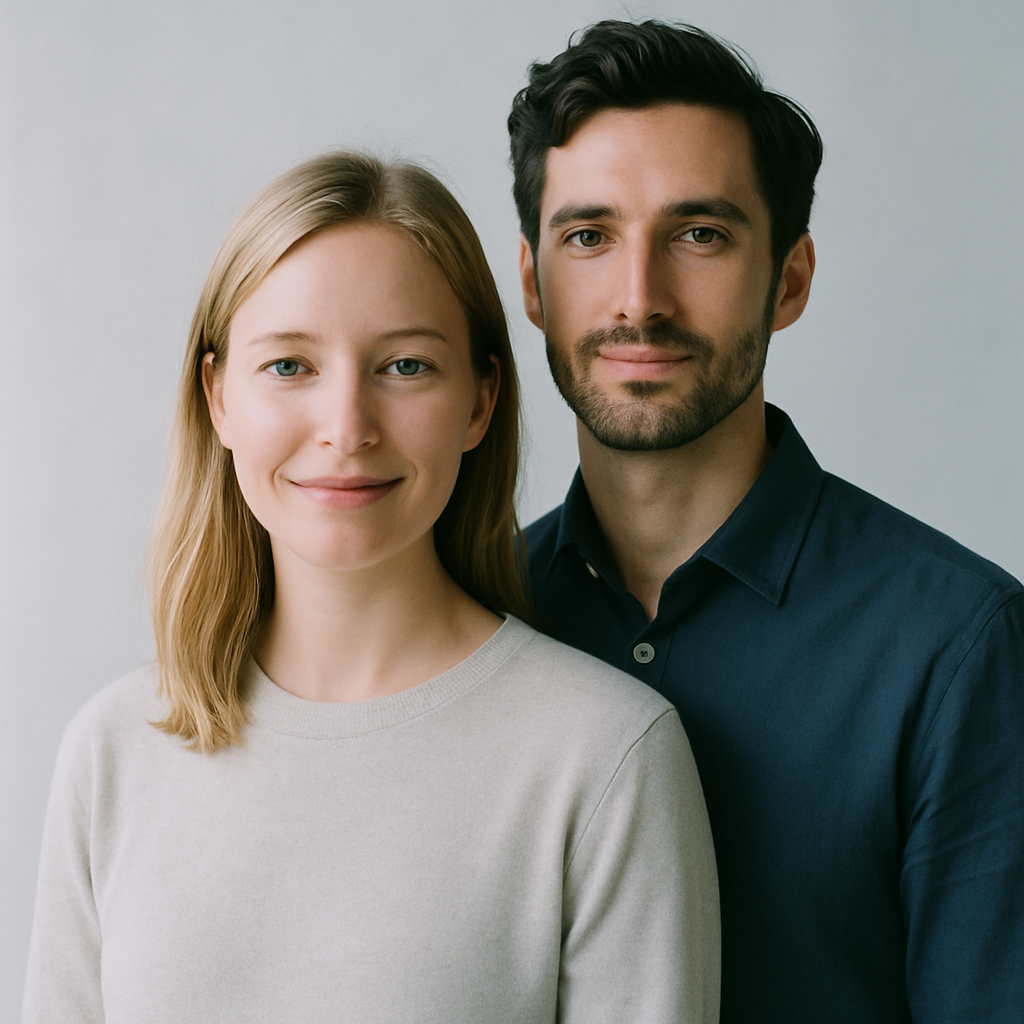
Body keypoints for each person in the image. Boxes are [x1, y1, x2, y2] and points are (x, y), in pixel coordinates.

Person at [22, 151, 720, 1023]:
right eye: (289, 367)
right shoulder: (114, 751)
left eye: (406, 367)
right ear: (217, 397)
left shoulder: (604, 755)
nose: (346, 429)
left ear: (480, 401)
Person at [510, 19, 1024, 1024]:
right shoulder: (479, 614)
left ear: (787, 279)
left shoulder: (960, 648)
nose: (638, 299)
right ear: (531, 282)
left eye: (699, 234)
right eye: (588, 235)